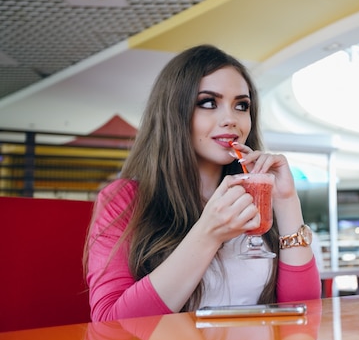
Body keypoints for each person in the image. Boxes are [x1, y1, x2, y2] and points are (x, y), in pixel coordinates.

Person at [84, 44, 321, 322]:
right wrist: (209, 234)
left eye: (241, 105)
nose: (231, 119)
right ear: (174, 112)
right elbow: (111, 324)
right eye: (208, 102)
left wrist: (286, 202)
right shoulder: (124, 199)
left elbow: (301, 315)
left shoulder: (257, 197)